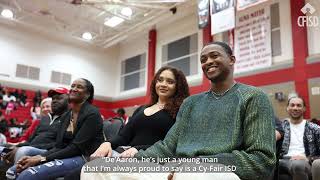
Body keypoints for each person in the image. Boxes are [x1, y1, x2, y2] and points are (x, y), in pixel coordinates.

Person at [82, 42, 276, 180]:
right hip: (175, 169)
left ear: (232, 60)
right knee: (95, 168)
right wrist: (135, 159)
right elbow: (167, 147)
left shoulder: (253, 97)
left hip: (216, 171)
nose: (208, 61)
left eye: (214, 56)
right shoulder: (191, 103)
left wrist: (199, 163)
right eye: (203, 59)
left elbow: (262, 161)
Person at [77, 66, 189, 180]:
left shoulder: (180, 111)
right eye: (160, 80)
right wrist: (108, 143)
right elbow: (123, 136)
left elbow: (171, 145)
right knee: (79, 172)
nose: (163, 84)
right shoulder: (141, 109)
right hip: (124, 155)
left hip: (151, 160)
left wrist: (139, 149)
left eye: (170, 82)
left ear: (178, 87)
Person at [10, 78, 104, 180]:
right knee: (13, 171)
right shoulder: (67, 115)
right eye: (72, 86)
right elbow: (59, 146)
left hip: (85, 158)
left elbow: (76, 148)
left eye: (79, 87)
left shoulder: (92, 114)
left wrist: (41, 159)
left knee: (28, 174)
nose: (74, 89)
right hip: (68, 155)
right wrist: (36, 158)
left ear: (87, 94)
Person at [4, 87, 69, 179]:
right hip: (32, 146)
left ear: (68, 99)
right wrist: (17, 146)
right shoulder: (43, 119)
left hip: (45, 151)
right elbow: (30, 140)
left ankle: (15, 175)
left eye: (58, 98)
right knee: (3, 148)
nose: (54, 101)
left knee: (24, 150)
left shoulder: (68, 118)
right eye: (53, 98)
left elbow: (59, 145)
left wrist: (24, 147)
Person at [278, 96, 320, 180]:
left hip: (303, 160)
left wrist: (308, 158)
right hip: (282, 160)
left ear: (304, 108)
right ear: (287, 108)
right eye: (292, 105)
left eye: (298, 105)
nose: (295, 108)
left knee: (298, 165)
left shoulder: (315, 129)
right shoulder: (280, 128)